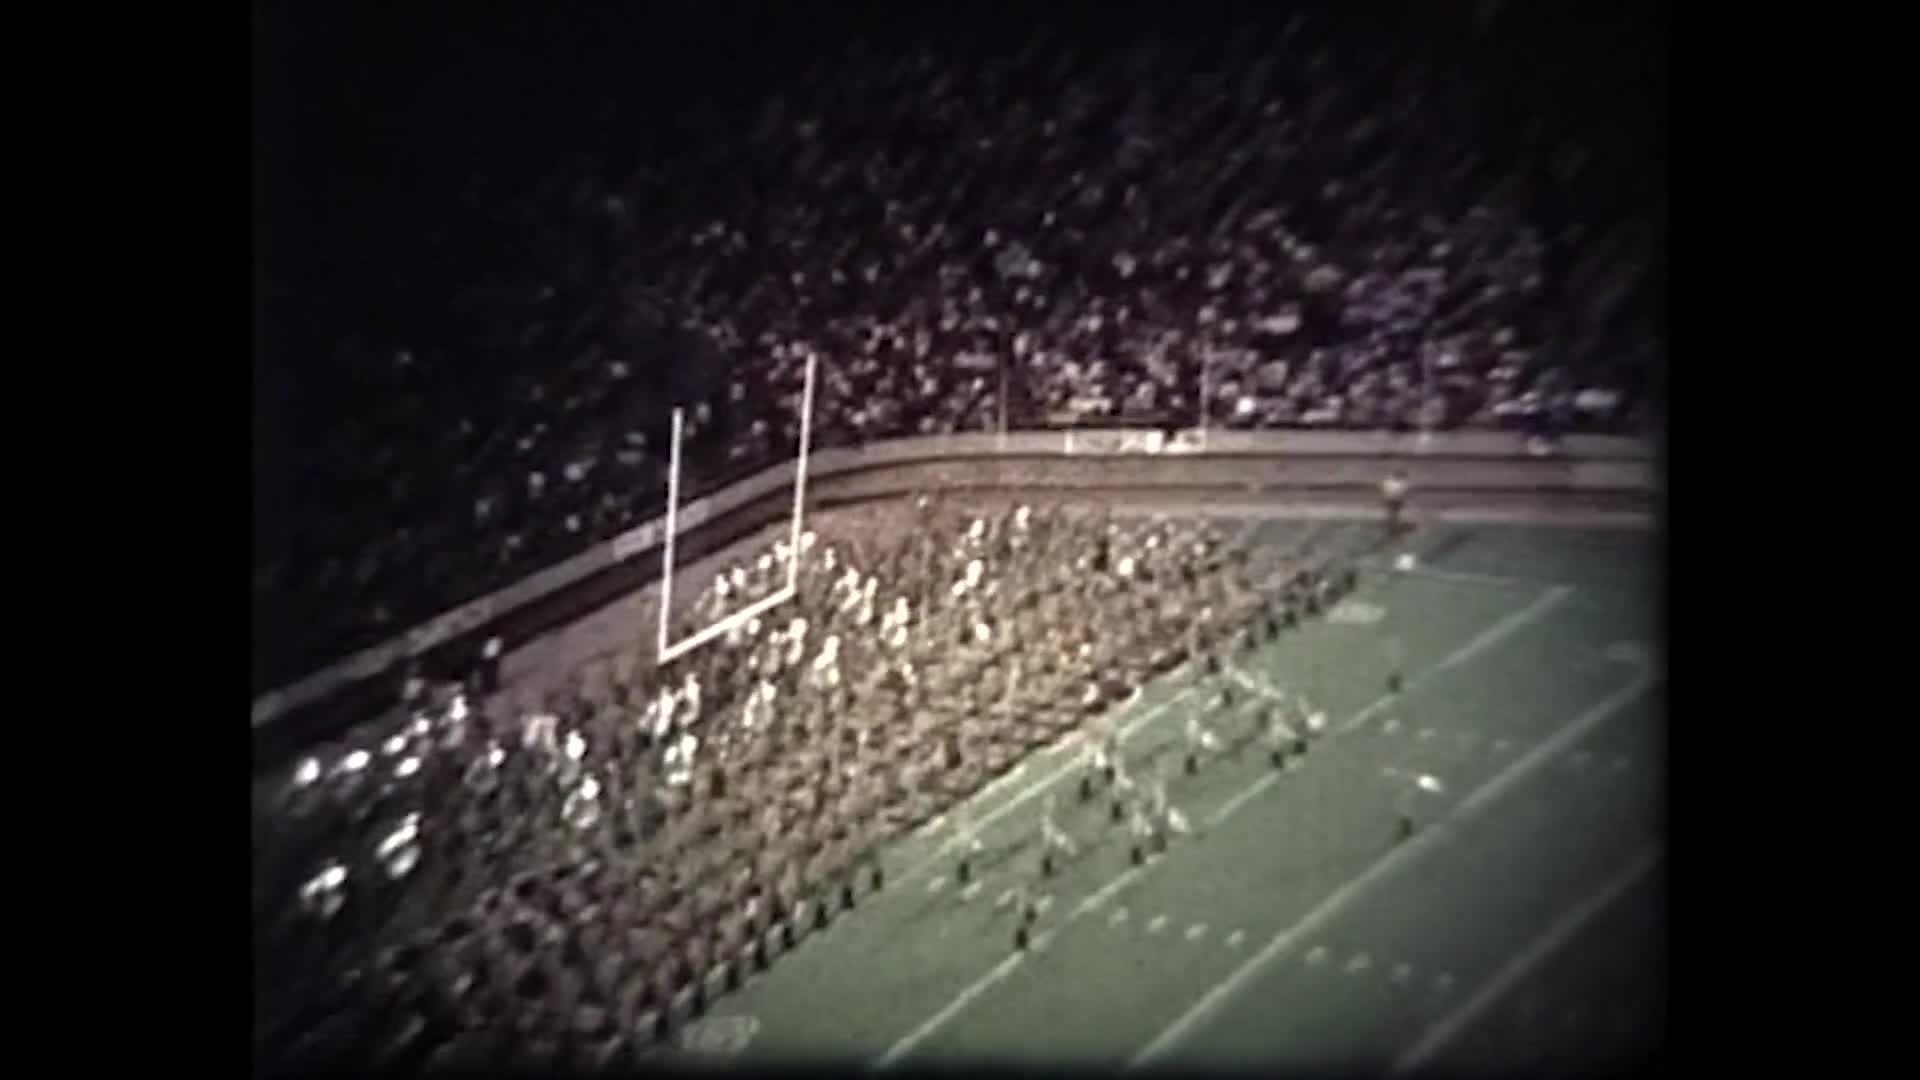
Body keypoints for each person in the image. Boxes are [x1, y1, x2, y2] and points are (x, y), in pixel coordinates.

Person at [1382, 467, 1410, 536]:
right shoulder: (1400, 483)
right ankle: (1392, 528)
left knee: (1392, 515)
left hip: (1392, 500)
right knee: (1393, 515)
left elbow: (1386, 489)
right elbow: (1401, 492)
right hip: (1394, 500)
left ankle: (1392, 527)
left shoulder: (1389, 481)